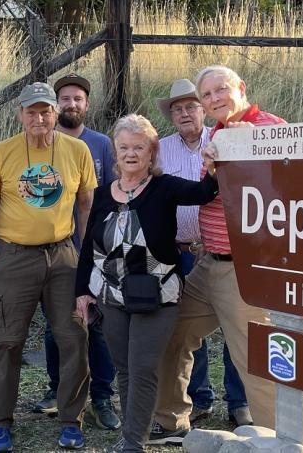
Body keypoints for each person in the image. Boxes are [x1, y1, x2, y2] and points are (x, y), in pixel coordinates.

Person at [153, 65, 286, 442]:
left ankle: (276, 439)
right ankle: (170, 421)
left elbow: (287, 183)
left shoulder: (268, 126)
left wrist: (254, 145)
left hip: (244, 268)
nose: (214, 99)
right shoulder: (217, 131)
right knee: (173, 333)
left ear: (240, 88)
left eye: (220, 90)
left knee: (253, 358)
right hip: (208, 262)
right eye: (207, 94)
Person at [75, 114, 218, 452]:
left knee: (142, 367)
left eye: (139, 147)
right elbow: (88, 249)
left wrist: (213, 164)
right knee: (124, 368)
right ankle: (131, 435)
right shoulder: (102, 195)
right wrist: (82, 291)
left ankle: (133, 442)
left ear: (152, 152)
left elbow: (204, 193)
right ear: (115, 151)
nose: (131, 153)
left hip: (157, 295)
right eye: (124, 147)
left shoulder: (164, 187)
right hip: (111, 295)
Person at [0, 82, 96, 451]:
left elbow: (86, 206)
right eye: (32, 112)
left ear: (55, 114)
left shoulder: (77, 151)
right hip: (14, 256)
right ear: (20, 115)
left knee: (74, 337)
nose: (39, 118)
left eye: (46, 111)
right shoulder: (2, 151)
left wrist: (85, 255)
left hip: (63, 256)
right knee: (7, 341)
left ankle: (70, 419)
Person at [152, 78, 251, 428]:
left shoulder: (223, 137)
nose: (184, 114)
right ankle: (198, 399)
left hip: (219, 249)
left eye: (190, 106)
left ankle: (241, 403)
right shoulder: (160, 149)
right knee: (184, 330)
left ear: (203, 110)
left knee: (237, 332)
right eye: (177, 109)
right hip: (178, 252)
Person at [31, 74, 119, 430]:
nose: (71, 105)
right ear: (54, 106)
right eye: (64, 99)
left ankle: (101, 397)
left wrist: (103, 247)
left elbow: (114, 193)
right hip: (54, 249)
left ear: (86, 104)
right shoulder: (40, 146)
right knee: (57, 326)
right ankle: (58, 390)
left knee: (97, 325)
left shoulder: (101, 145)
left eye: (77, 99)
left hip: (93, 248)